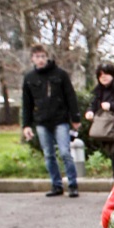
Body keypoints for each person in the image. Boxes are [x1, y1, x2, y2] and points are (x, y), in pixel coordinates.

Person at [21, 44, 80, 197]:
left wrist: (75, 118)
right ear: (32, 59)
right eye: (37, 57)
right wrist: (26, 125)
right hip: (41, 121)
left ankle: (73, 185)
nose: (40, 60)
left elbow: (70, 96)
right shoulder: (29, 78)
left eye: (42, 56)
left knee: (65, 152)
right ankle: (56, 185)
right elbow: (27, 103)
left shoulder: (60, 74)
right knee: (49, 154)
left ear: (46, 57)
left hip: (60, 119)